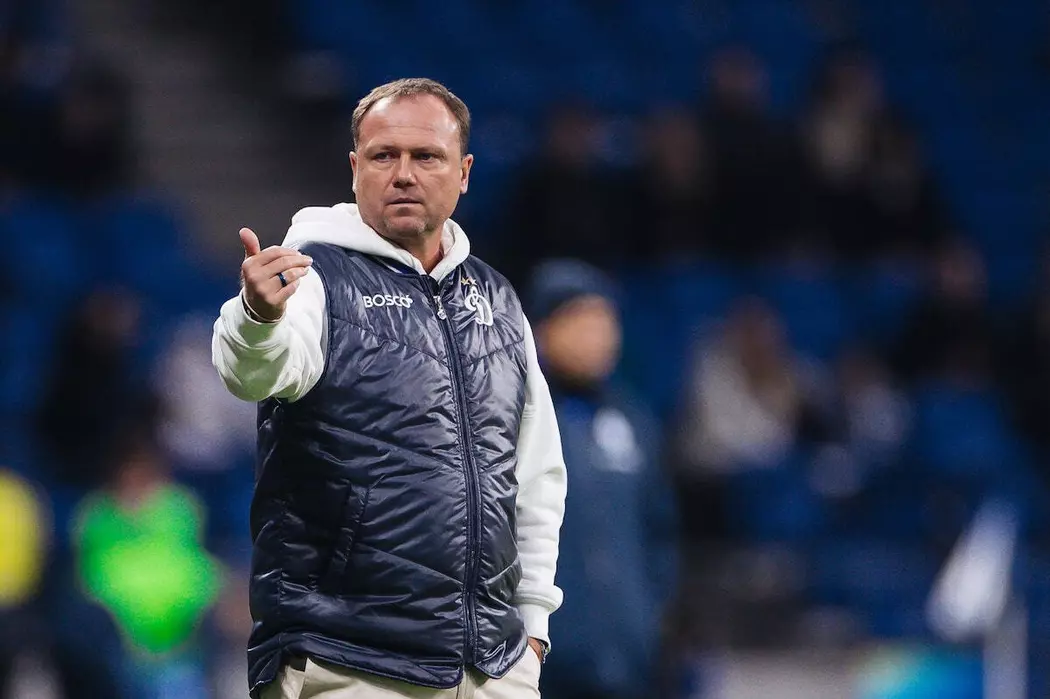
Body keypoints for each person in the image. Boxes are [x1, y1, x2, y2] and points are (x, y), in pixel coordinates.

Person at [211, 78, 567, 699]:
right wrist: (256, 317)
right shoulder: (313, 277)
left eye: (426, 156)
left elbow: (537, 475)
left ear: (463, 172)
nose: (404, 174)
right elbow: (252, 373)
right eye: (384, 156)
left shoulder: (500, 302)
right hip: (349, 659)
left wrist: (532, 625)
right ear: (355, 169)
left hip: (492, 666)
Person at [526, 260, 678, 699]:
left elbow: (660, 531)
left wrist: (649, 616)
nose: (598, 335)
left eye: (605, 320)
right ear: (543, 330)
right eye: (581, 320)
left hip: (627, 657)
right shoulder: (515, 414)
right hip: (540, 658)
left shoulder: (633, 419)